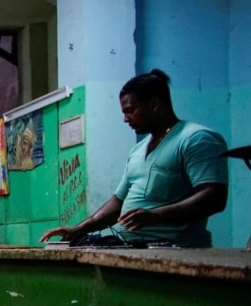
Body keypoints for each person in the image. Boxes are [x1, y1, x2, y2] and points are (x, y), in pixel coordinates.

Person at [39, 69, 228, 248]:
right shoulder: (138, 150)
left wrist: (156, 215)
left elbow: (214, 198)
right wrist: (78, 229)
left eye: (130, 110)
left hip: (173, 247)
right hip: (130, 245)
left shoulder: (195, 139)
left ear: (154, 105)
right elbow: (117, 202)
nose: (125, 119)